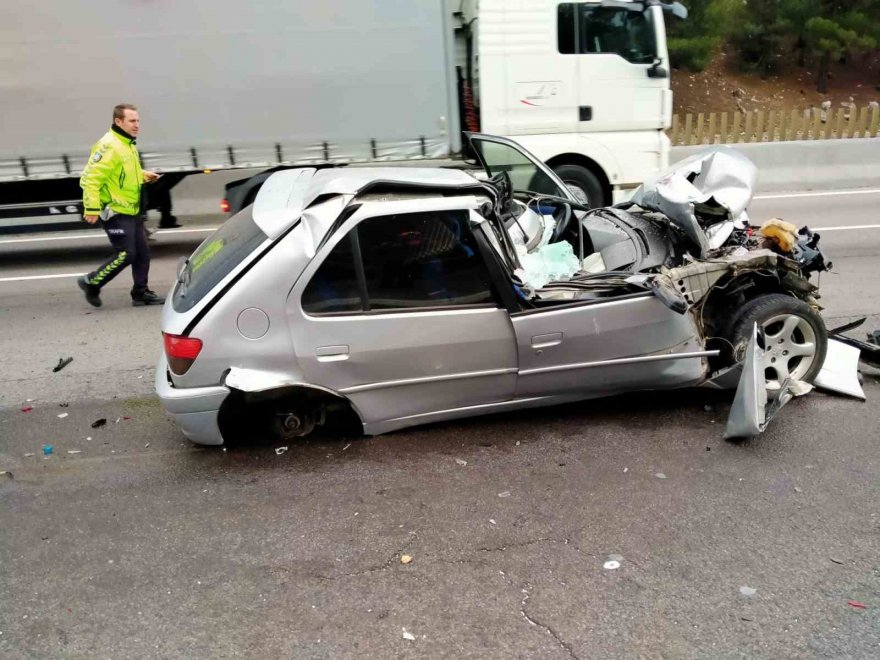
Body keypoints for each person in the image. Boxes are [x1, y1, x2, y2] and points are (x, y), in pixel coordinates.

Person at [77, 103, 165, 307]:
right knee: (127, 254)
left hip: (130, 209)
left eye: (138, 121)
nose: (137, 125)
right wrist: (91, 208)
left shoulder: (127, 143)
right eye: (132, 121)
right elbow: (91, 179)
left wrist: (143, 176)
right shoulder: (109, 145)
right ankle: (91, 282)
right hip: (114, 210)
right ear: (119, 121)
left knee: (142, 253)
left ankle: (141, 293)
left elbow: (120, 175)